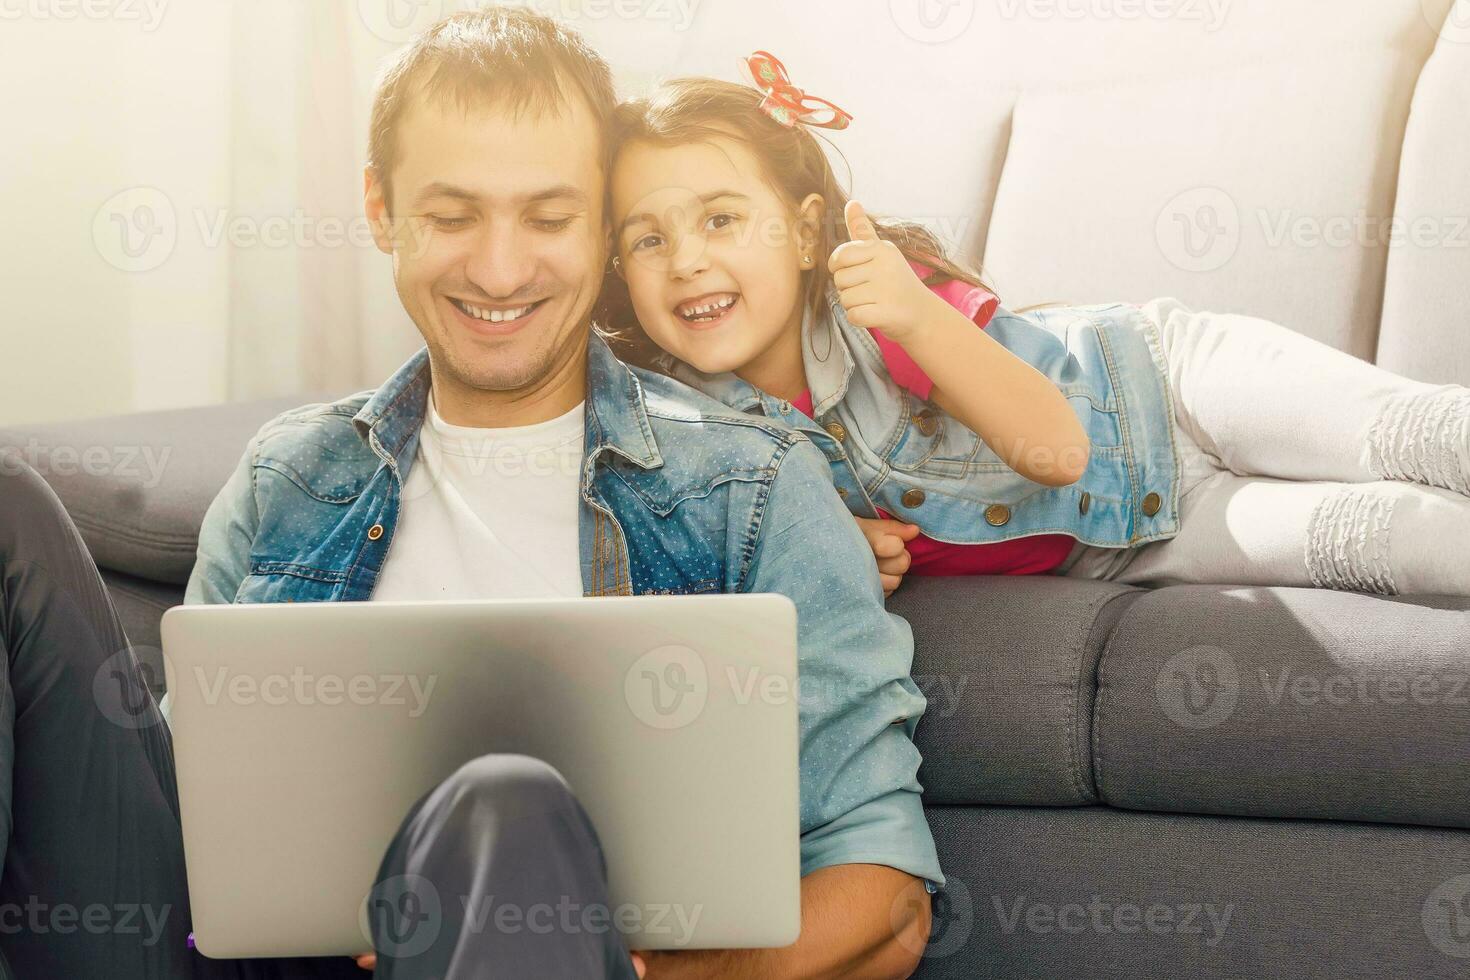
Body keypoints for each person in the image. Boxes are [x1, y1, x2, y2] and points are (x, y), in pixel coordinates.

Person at [0, 11, 941, 979]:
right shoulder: (290, 472)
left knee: (500, 800)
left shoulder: (752, 484)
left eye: (547, 217)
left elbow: (887, 899)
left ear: (603, 228)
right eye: (452, 217)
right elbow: (183, 823)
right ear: (381, 208)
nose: (498, 270)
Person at [599, 54, 1470, 601]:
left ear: (801, 230)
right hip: (1140, 538)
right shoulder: (692, 437)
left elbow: (1058, 449)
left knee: (1416, 434)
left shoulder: (879, 301)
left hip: (1163, 381)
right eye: (649, 237)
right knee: (1386, 539)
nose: (685, 260)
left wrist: (913, 316)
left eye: (719, 219)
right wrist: (822, 547)